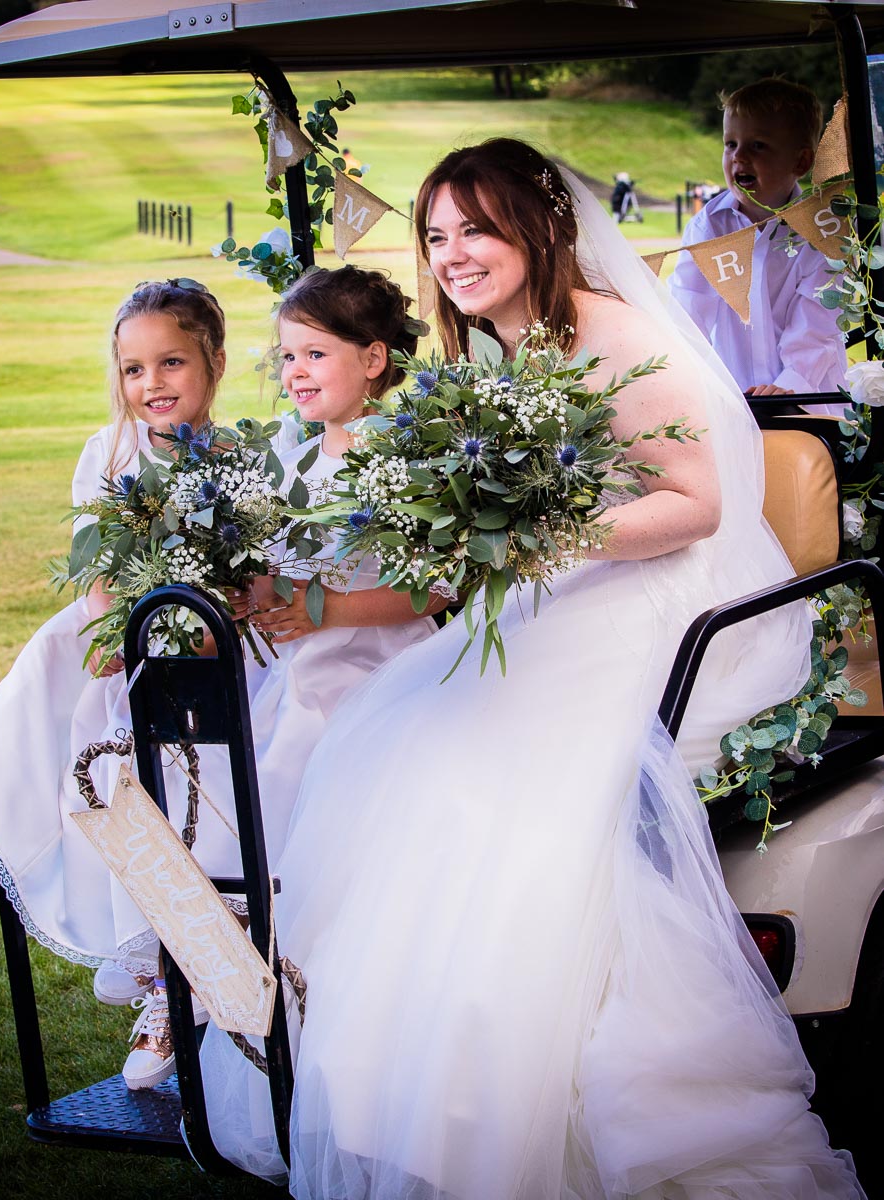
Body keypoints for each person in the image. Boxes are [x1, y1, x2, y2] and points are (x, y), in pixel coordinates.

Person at [196, 139, 865, 1197]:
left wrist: (535, 538)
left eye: (477, 229)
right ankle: (392, 1092)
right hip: (568, 586)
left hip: (669, 598)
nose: (452, 254)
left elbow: (695, 505)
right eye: (436, 235)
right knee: (392, 739)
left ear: (540, 228)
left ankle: (497, 1097)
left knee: (483, 773)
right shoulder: (499, 348)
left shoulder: (613, 332)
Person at [0, 272, 441, 1092]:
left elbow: (261, 574)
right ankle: (166, 963)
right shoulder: (111, 453)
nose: (152, 383)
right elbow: (101, 571)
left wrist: (228, 617)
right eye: (134, 369)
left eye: (171, 363)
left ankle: (202, 966)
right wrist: (122, 629)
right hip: (121, 649)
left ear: (213, 362)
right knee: (118, 770)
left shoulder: (250, 457)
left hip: (223, 651)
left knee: (221, 772)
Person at [669, 78, 848, 410]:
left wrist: (789, 386)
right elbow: (688, 309)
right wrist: (686, 375)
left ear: (800, 163)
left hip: (810, 397)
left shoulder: (822, 232)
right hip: (736, 396)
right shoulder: (709, 227)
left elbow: (817, 327)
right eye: (730, 144)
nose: (739, 156)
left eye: (758, 146)